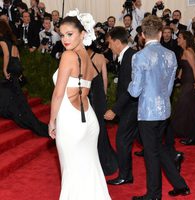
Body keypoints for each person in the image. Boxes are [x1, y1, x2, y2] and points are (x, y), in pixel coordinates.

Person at [48, 9, 111, 200]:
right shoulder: (88, 57)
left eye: (70, 34)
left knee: (72, 172)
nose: (65, 40)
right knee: (91, 169)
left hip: (71, 120)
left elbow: (58, 94)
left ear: (82, 34)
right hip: (89, 120)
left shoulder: (68, 56)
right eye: (62, 35)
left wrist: (52, 120)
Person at [128, 15, 190, 200]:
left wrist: (129, 85)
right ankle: (180, 186)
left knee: (151, 154)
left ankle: (154, 195)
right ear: (161, 33)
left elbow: (135, 91)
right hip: (164, 110)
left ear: (143, 35)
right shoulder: (171, 55)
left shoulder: (139, 56)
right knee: (158, 148)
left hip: (148, 112)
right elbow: (170, 86)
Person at [0, 19, 48, 137]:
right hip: (17, 67)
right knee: (14, 92)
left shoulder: (2, 41)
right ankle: (18, 111)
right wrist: (19, 70)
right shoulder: (12, 41)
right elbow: (18, 56)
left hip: (10, 67)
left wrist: (5, 69)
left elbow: (6, 55)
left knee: (7, 90)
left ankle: (15, 112)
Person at [104, 26, 138, 185]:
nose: (109, 46)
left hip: (132, 106)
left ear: (117, 42)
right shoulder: (127, 56)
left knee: (122, 140)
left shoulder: (130, 57)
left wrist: (115, 109)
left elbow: (130, 88)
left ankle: (125, 175)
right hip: (130, 105)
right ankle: (172, 156)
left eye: (110, 43)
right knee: (145, 140)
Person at [87, 42, 118, 176]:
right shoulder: (100, 57)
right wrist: (104, 96)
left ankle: (92, 159)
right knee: (100, 126)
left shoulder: (80, 57)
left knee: (89, 127)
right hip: (99, 95)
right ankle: (105, 158)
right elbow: (105, 78)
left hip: (86, 96)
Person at [166, 31, 195, 142]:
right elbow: (184, 67)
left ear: (185, 39)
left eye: (179, 37)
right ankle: (186, 133)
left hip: (190, 83)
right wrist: (178, 78)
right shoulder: (183, 51)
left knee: (183, 108)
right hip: (186, 82)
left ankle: (183, 132)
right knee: (186, 108)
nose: (177, 39)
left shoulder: (188, 51)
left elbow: (194, 68)